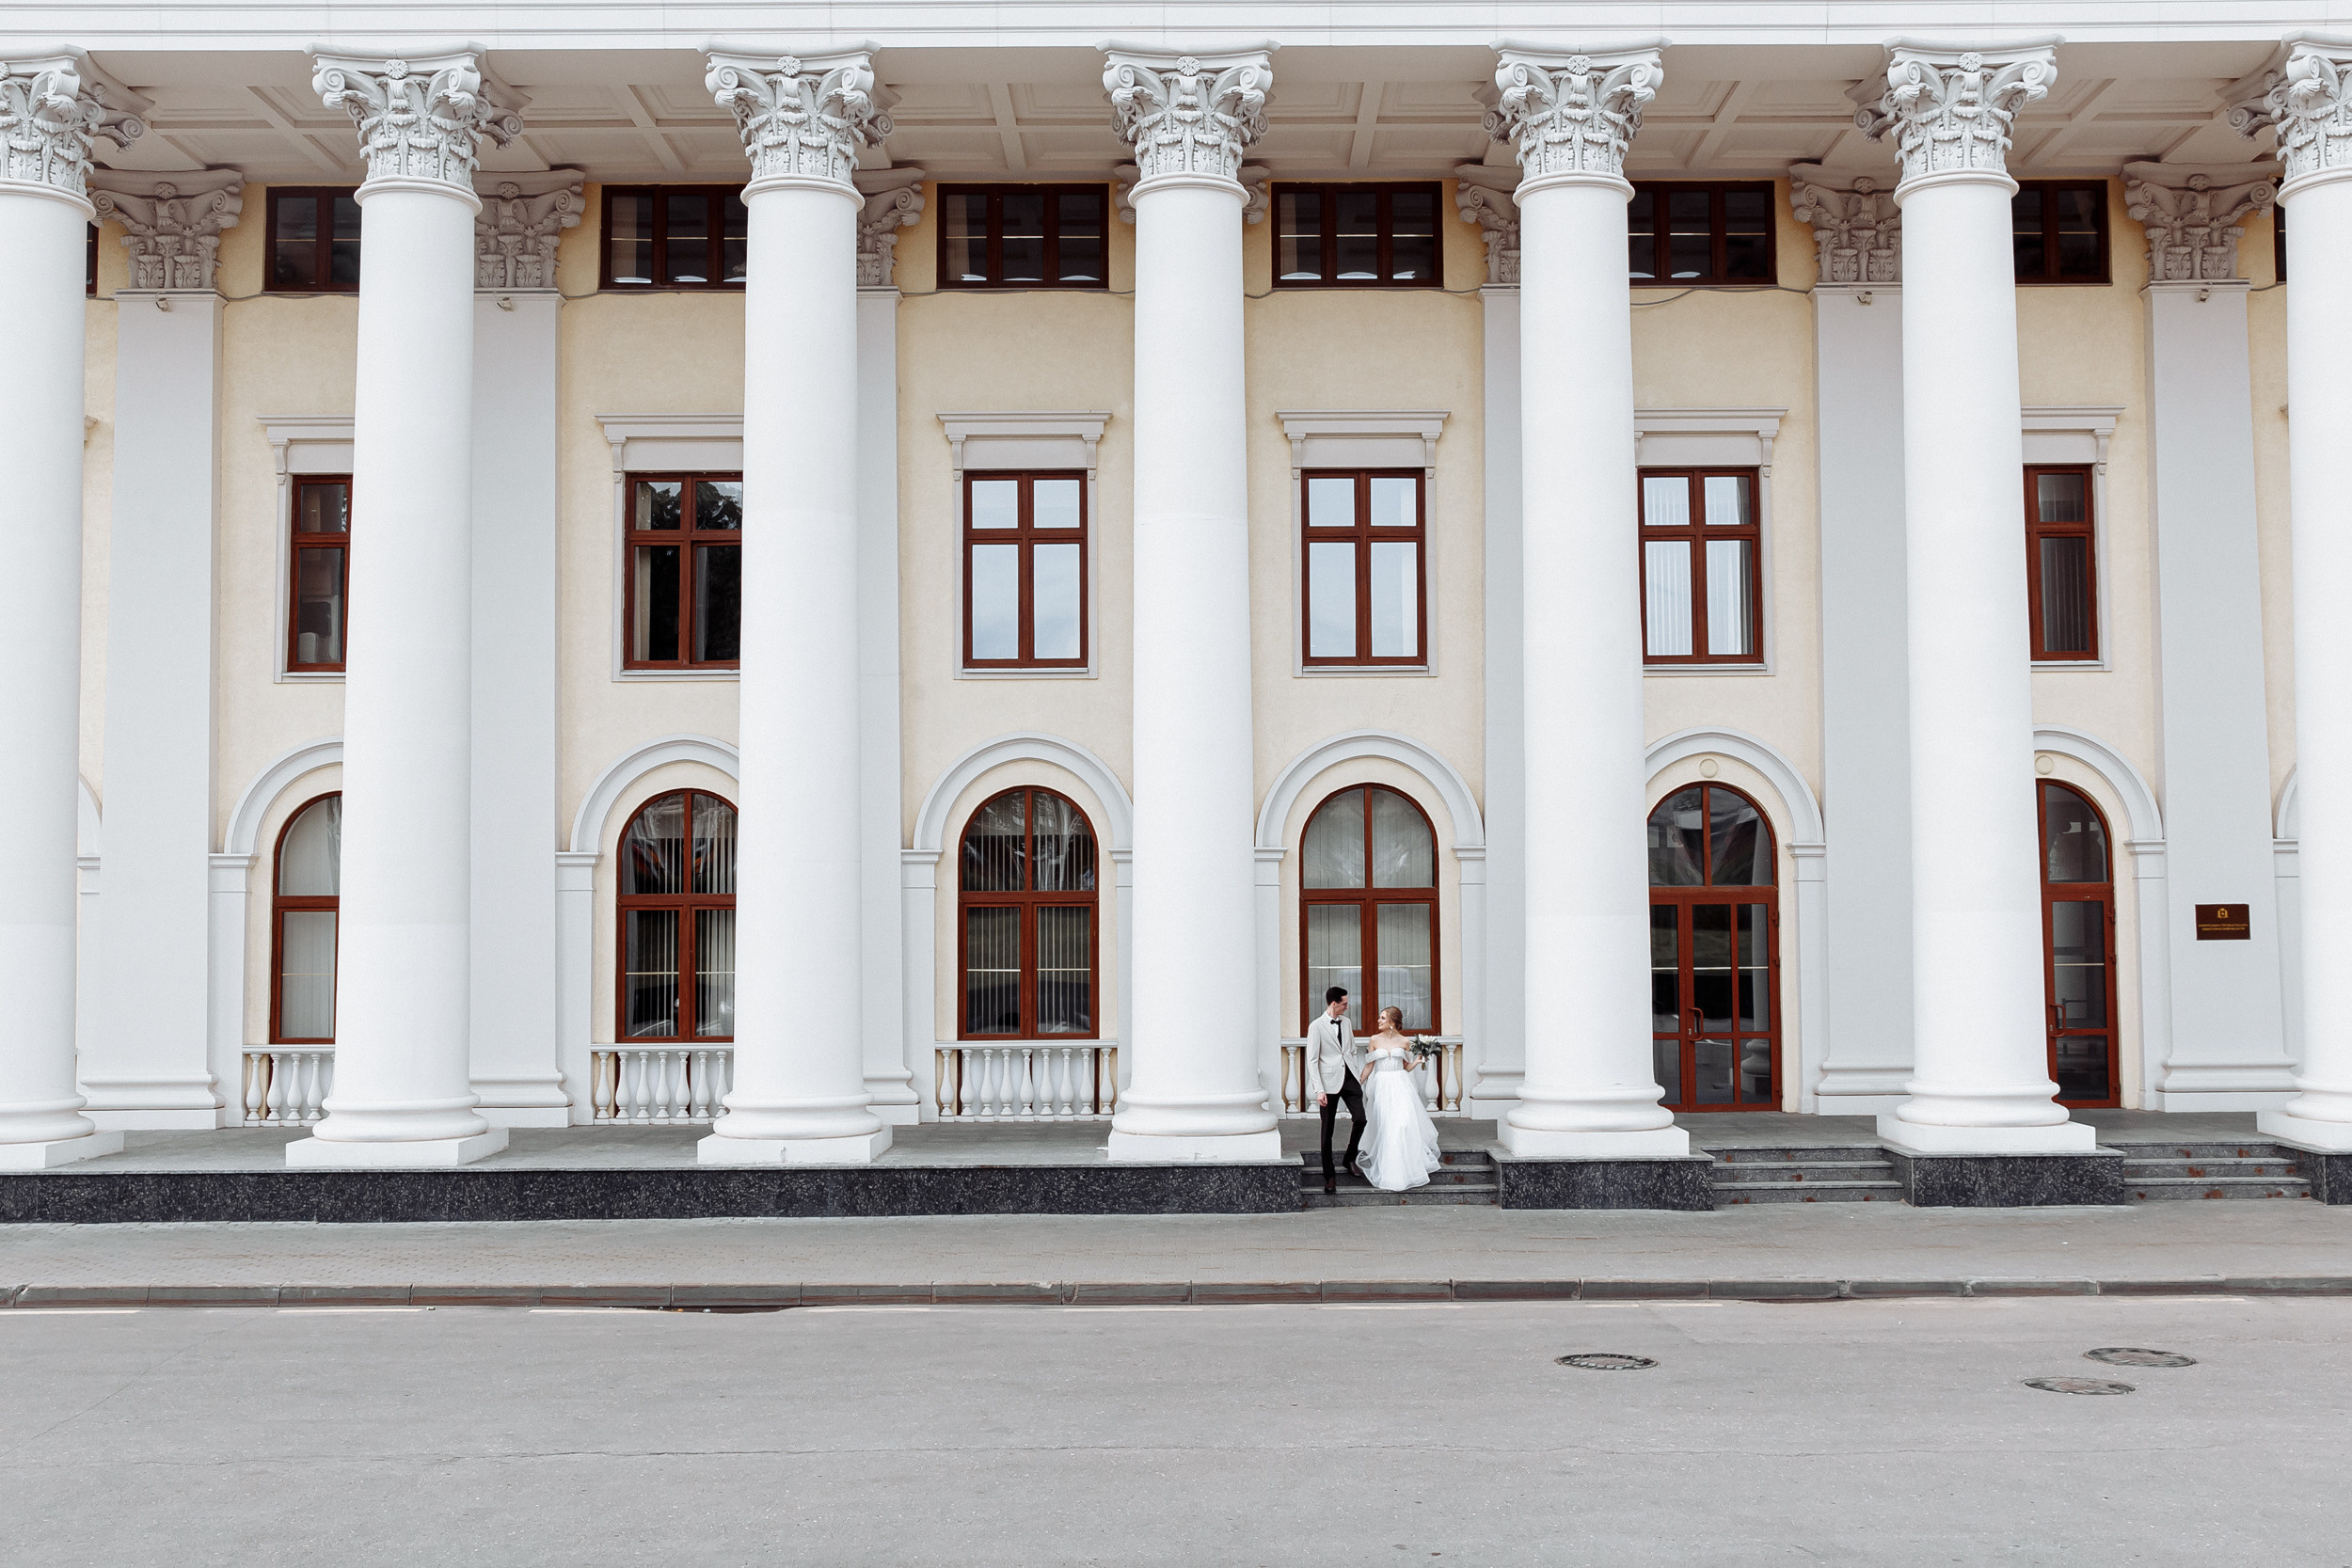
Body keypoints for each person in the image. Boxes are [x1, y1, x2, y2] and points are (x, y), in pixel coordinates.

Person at [1356, 1006, 1442, 1193]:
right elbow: (1369, 1066)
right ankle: (1389, 1171)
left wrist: (1418, 1061)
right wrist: (1358, 1083)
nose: (1378, 1021)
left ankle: (1406, 1169)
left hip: (1401, 1084)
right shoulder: (1374, 1040)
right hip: (1382, 1086)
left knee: (1403, 1123)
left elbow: (1406, 1067)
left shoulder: (1404, 1041)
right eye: (1380, 1018)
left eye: (1382, 1018)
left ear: (1392, 1022)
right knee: (1387, 1125)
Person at [1303, 986, 1362, 1196]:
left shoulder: (1346, 1023)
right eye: (1344, 1003)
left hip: (1350, 1080)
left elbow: (1351, 1050)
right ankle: (1329, 1176)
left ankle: (1349, 1158)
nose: (1348, 1006)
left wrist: (1356, 1074)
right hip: (1328, 1083)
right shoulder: (1316, 1026)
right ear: (1333, 1003)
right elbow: (1312, 1061)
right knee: (1327, 1130)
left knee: (1361, 1119)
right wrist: (1319, 1089)